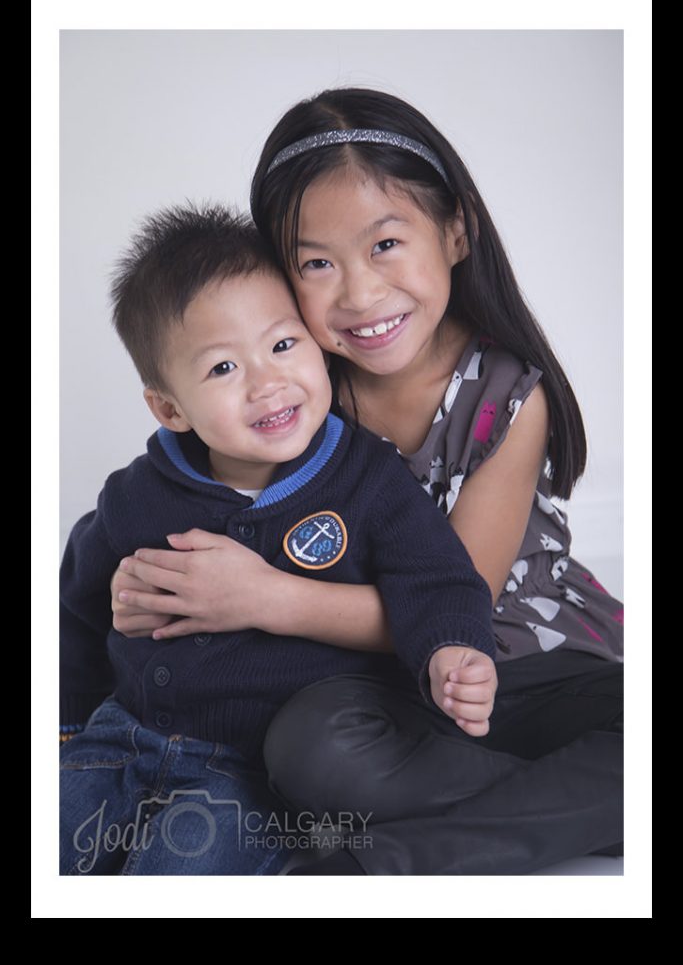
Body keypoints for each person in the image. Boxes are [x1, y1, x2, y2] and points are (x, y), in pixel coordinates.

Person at [111, 88, 624, 875]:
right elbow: (197, 504)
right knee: (311, 749)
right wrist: (139, 584)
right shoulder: (292, 392)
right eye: (316, 263)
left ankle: (386, 859)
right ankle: (577, 807)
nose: (358, 293)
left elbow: (460, 595)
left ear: (455, 230)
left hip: (517, 661)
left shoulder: (508, 397)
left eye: (385, 243)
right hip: (370, 689)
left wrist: (264, 597)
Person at [60, 202, 497, 876]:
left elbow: (437, 579)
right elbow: (80, 607)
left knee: (176, 871)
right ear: (170, 408)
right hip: (119, 738)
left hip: (248, 777)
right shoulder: (136, 495)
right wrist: (67, 720)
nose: (266, 383)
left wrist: (454, 652)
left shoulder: (368, 479)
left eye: (283, 345)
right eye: (222, 369)